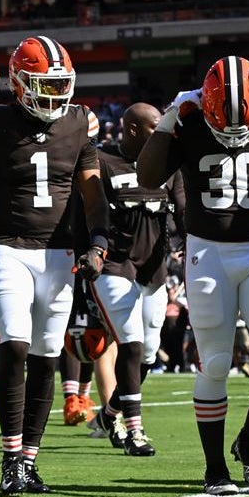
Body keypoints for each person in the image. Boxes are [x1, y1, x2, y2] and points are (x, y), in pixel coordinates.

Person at [136, 56, 249, 495]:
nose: (235, 134)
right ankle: (215, 469)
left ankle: (248, 442)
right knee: (215, 360)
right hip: (207, 253)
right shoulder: (190, 120)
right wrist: (168, 122)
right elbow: (147, 175)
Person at [0, 35, 109, 496]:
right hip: (10, 249)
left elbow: (93, 193)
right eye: (45, 84)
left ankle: (29, 459)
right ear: (19, 84)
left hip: (59, 253)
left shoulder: (80, 122)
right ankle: (10, 457)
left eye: (61, 85)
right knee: (14, 348)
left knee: (45, 355)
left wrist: (98, 243)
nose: (56, 95)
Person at [77, 102, 185, 456]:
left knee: (149, 355)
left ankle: (110, 413)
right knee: (131, 341)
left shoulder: (169, 167)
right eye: (156, 127)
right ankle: (135, 432)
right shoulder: (101, 160)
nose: (163, 134)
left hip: (153, 269)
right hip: (114, 264)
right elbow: (90, 213)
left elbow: (183, 212)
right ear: (134, 129)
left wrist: (191, 250)